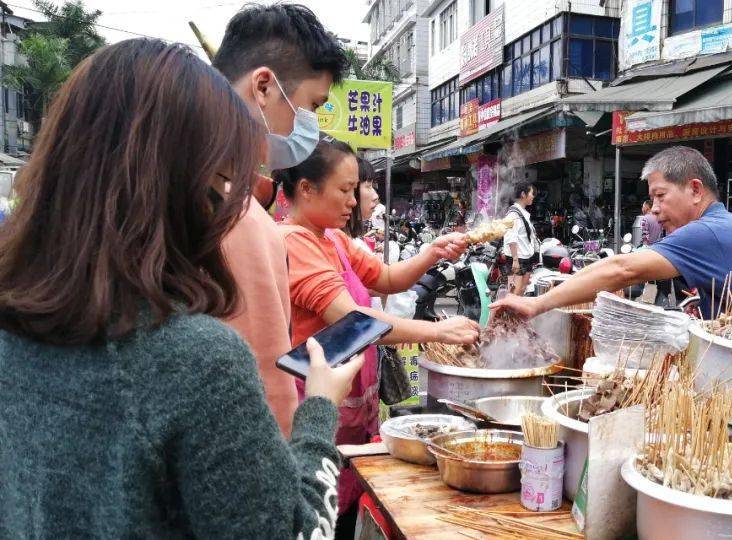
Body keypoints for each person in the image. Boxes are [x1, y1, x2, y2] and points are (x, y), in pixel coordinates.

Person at [0, 39, 363, 537]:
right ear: (182, 187)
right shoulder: (194, 361)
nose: (223, 208)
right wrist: (320, 406)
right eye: (222, 182)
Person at [274, 137, 478, 533]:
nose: (354, 200)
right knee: (319, 517)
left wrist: (433, 252)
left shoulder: (332, 237)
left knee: (346, 509)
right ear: (306, 189)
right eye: (345, 190)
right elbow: (354, 319)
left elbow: (386, 278)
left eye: (357, 189)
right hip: (316, 407)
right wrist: (437, 330)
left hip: (351, 408)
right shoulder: (292, 243)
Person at [212, 3, 349, 437]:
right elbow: (271, 399)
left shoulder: (179, 191)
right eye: (311, 105)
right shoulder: (240, 220)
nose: (310, 124)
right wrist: (322, 405)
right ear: (265, 87)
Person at [492, 146, 732, 321]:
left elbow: (623, 269)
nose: (653, 209)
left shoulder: (708, 231)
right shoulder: (718, 224)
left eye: (660, 196)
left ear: (695, 190)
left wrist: (537, 304)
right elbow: (614, 265)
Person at [503, 183, 539, 296]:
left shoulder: (523, 213)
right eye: (532, 193)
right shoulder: (513, 214)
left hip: (526, 257)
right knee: (514, 291)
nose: (533, 196)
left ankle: (514, 314)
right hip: (518, 258)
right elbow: (511, 238)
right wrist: (515, 260)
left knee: (522, 289)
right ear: (523, 194)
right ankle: (506, 313)